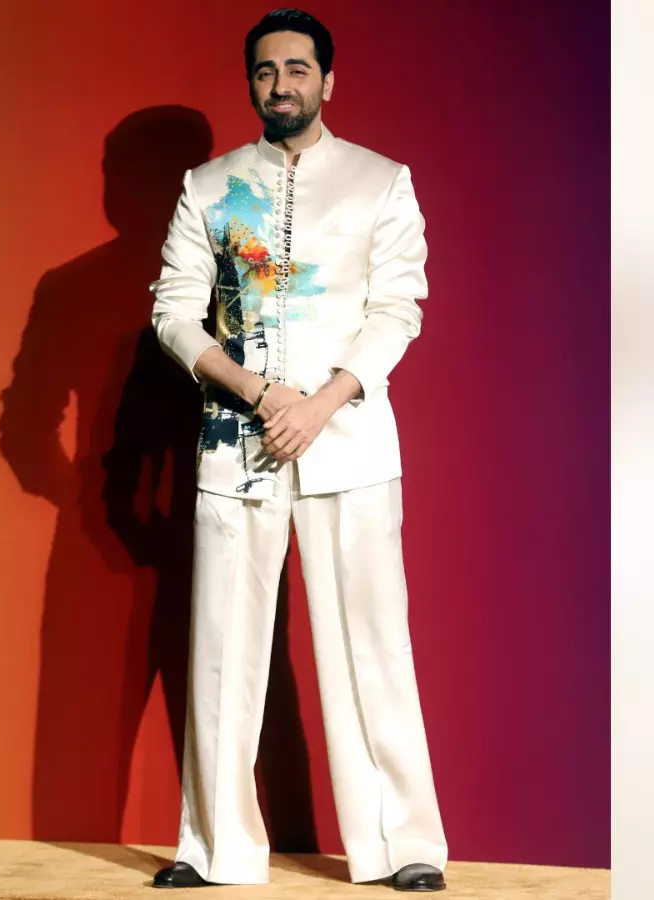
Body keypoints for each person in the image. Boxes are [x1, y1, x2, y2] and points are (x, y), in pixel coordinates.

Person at [148, 8, 447, 893]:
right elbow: (173, 311)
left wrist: (319, 404)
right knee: (222, 651)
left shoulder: (380, 182)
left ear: (328, 80)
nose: (281, 85)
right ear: (251, 82)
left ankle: (403, 846)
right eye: (266, 71)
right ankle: (215, 850)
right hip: (235, 445)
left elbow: (398, 310)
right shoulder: (209, 187)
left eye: (297, 69)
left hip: (349, 444)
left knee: (371, 647)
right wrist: (257, 393)